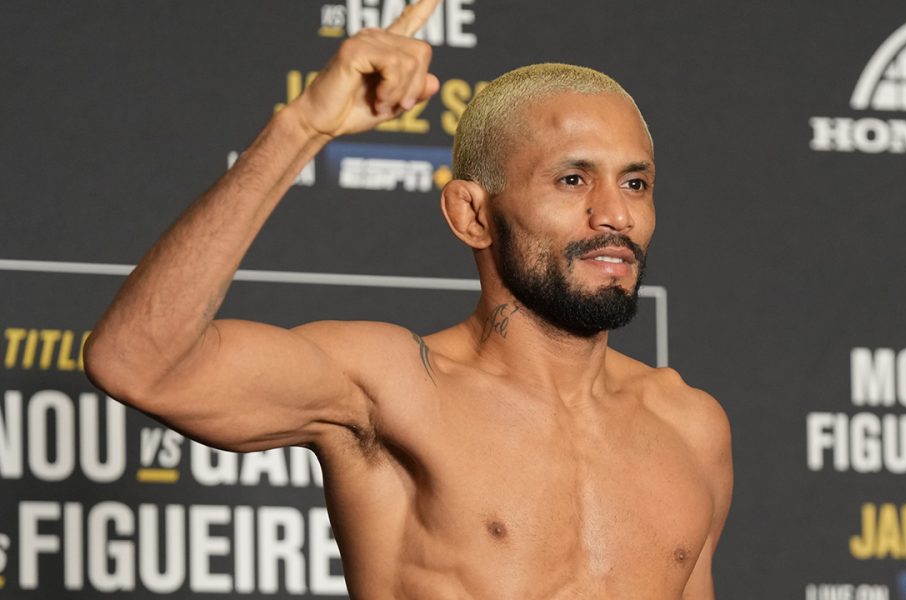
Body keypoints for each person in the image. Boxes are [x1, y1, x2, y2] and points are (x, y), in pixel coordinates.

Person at [84, 0, 732, 597]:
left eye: (636, 183)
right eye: (572, 179)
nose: (616, 214)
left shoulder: (690, 427)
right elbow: (140, 363)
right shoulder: (395, 389)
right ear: (472, 215)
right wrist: (303, 127)